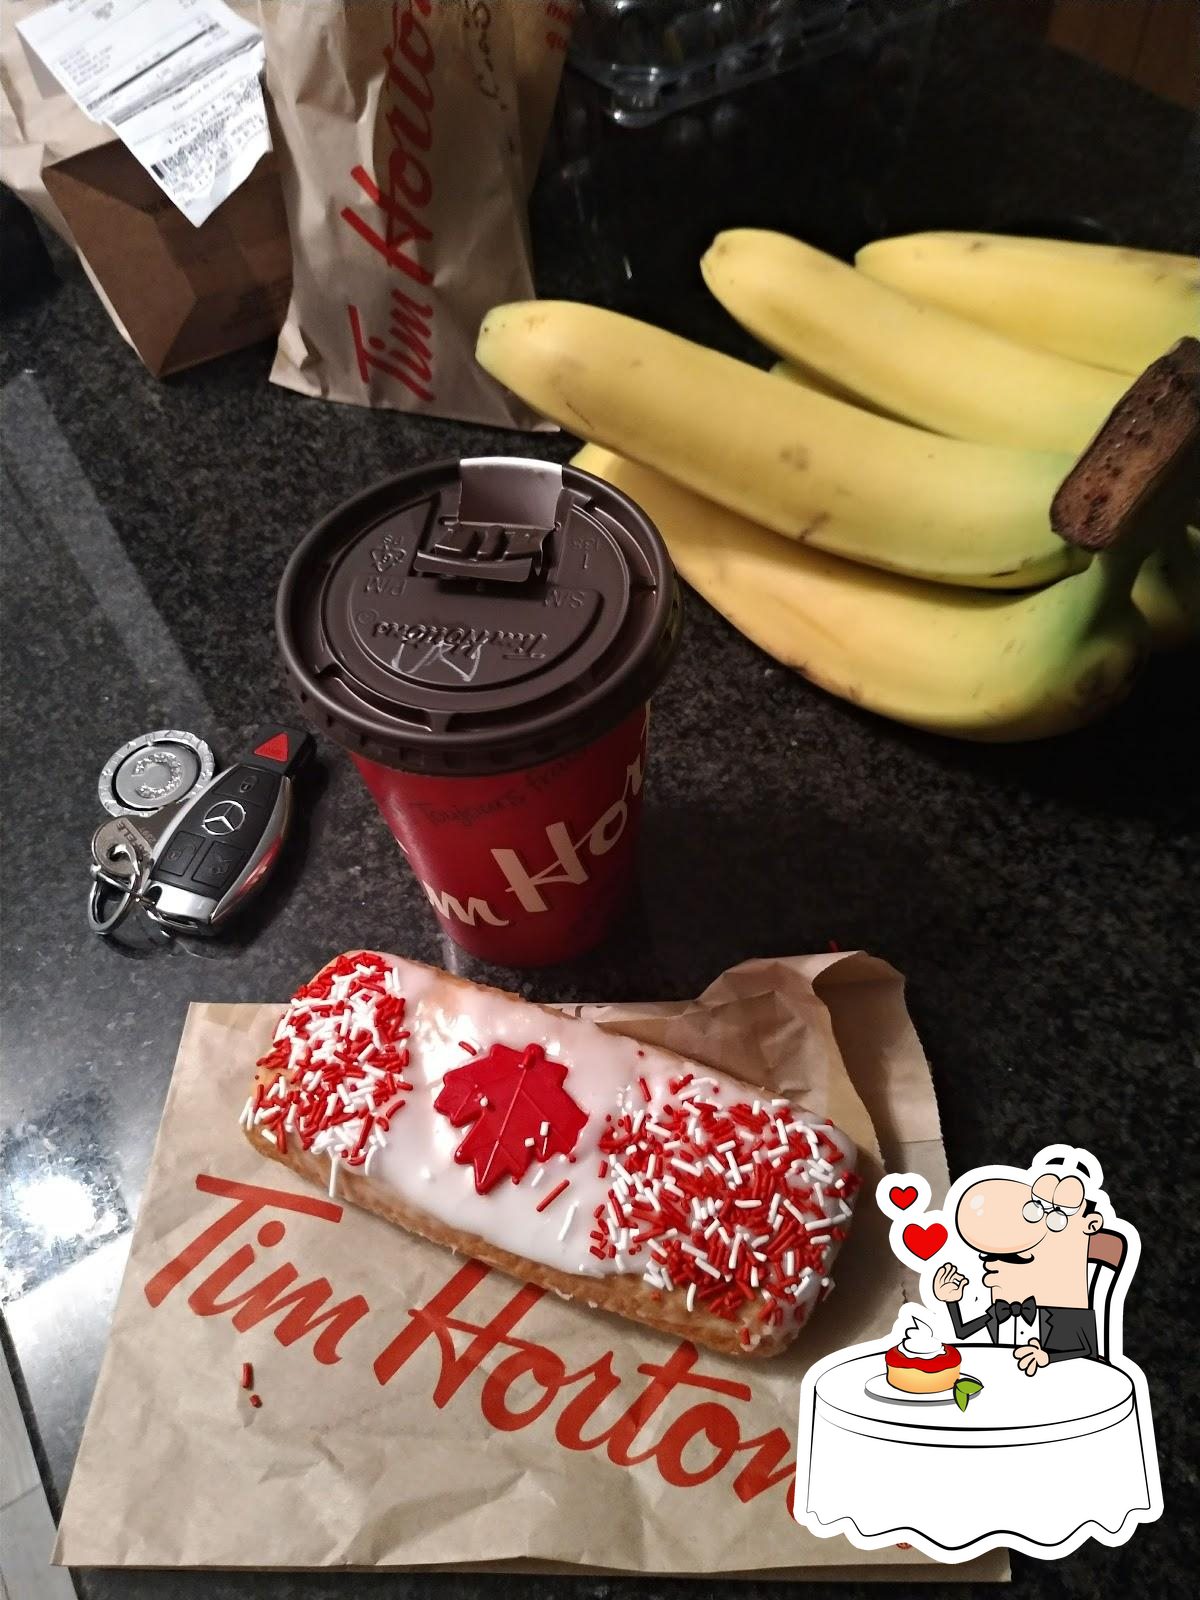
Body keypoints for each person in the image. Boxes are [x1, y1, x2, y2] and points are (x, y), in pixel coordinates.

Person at [932, 1159, 1102, 1375]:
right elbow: (962, 1332)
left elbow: (1087, 1353)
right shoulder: (997, 1311)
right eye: (989, 1256)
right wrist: (951, 1301)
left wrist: (1048, 1357)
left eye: (1013, 1256)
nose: (990, 1264)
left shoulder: (1067, 1314)